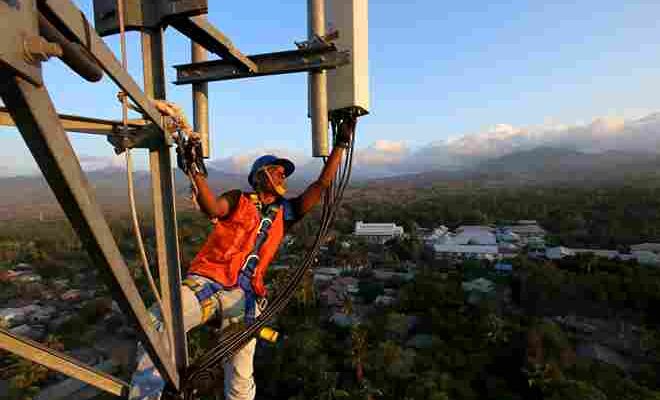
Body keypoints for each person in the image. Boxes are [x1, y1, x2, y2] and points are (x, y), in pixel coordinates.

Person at [129, 113, 357, 400]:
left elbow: (321, 185)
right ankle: (144, 396)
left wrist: (341, 143)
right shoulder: (239, 199)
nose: (282, 175)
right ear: (259, 174)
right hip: (209, 281)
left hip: (245, 295)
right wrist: (196, 171)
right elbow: (213, 208)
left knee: (240, 373)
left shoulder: (285, 213)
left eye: (284, 173)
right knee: (157, 323)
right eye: (276, 170)